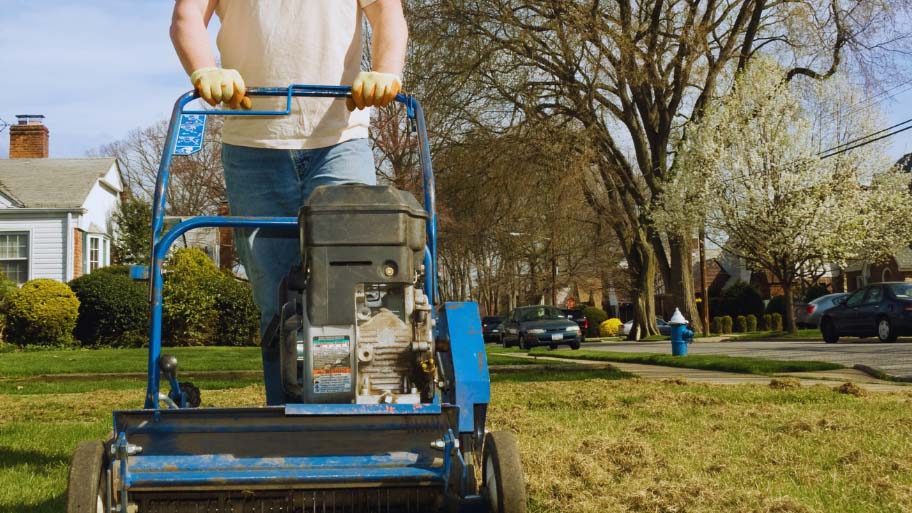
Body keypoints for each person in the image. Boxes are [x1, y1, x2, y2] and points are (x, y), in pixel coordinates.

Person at [170, 0, 408, 402]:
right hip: (253, 146)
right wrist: (204, 69)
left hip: (340, 139)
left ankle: (366, 414)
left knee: (357, 288)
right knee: (276, 300)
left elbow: (388, 14)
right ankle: (285, 421)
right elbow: (186, 17)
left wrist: (385, 71)